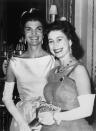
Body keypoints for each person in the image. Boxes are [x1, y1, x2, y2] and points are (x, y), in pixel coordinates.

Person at [2, 8, 56, 131]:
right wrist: (21, 122)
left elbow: (57, 95)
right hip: (22, 118)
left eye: (38, 29)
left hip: (47, 117)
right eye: (29, 29)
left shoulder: (52, 61)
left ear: (43, 33)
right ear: (24, 33)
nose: (34, 33)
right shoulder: (14, 63)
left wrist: (48, 115)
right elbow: (6, 98)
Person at [38, 20, 95, 131]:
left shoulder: (79, 70)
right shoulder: (52, 72)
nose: (55, 45)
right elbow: (53, 104)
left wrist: (55, 116)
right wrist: (42, 110)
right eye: (51, 41)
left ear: (69, 42)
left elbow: (87, 110)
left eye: (59, 39)